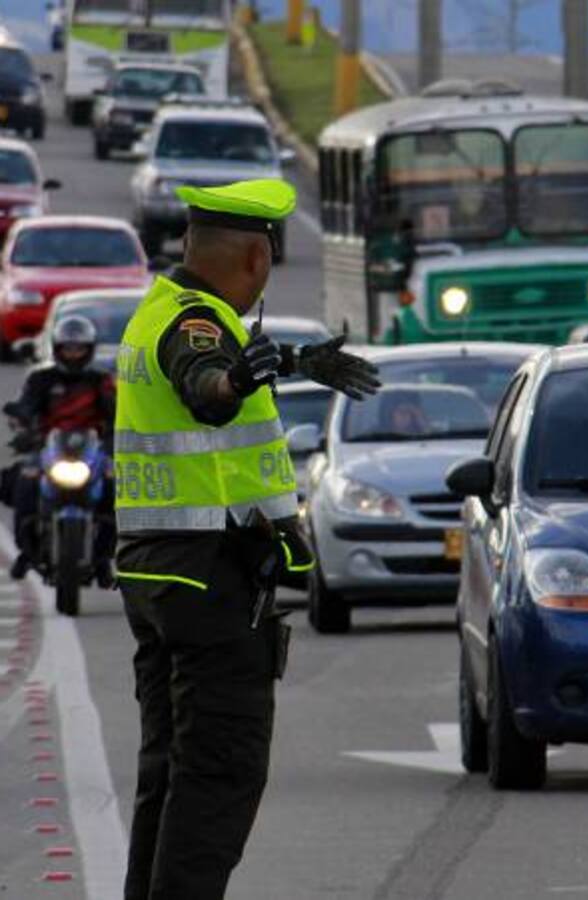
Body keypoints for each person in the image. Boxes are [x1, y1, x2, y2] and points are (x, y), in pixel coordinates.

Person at [113, 178, 380, 900]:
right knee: (221, 770)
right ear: (258, 259)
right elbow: (204, 383)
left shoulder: (158, 310)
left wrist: (290, 363)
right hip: (205, 581)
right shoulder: (197, 326)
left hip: (159, 572)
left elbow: (201, 383)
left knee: (169, 769)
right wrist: (233, 381)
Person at [6, 315, 115, 582]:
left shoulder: (101, 381)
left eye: (79, 348)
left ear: (89, 349)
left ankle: (103, 558)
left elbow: (117, 414)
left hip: (93, 451)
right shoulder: (41, 379)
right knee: (24, 485)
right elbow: (26, 407)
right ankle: (27, 552)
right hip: (48, 449)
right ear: (57, 348)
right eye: (68, 347)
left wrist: (118, 440)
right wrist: (24, 427)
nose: (74, 353)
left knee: (115, 492)